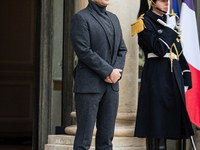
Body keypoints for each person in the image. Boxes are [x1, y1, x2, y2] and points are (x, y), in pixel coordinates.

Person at [131, 0, 194, 149]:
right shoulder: (144, 21)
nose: (167, 4)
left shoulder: (169, 20)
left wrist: (186, 76)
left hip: (173, 77)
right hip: (157, 76)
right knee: (157, 124)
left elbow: (178, 51)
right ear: (152, 2)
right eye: (163, 1)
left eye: (168, 1)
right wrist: (170, 29)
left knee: (172, 123)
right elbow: (158, 49)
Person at [70, 0, 127, 149]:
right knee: (84, 140)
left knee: (106, 141)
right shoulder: (80, 18)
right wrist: (108, 71)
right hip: (89, 86)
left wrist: (116, 73)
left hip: (112, 86)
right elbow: (83, 51)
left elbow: (122, 49)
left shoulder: (114, 18)